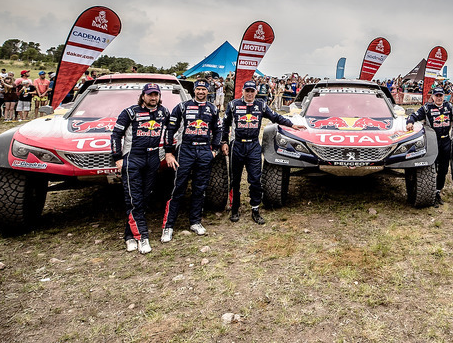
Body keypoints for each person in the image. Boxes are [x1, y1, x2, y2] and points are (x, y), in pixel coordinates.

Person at [221, 80, 306, 225]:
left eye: (252, 91)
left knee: (255, 179)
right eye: (247, 91)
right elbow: (225, 124)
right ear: (242, 91)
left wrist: (292, 124)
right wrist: (223, 142)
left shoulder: (260, 105)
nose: (249, 94)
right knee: (235, 180)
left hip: (253, 145)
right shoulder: (233, 105)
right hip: (237, 145)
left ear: (256, 92)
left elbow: (276, 117)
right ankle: (235, 208)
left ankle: (255, 209)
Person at [110, 83, 169, 254]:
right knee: (133, 200)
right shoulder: (130, 112)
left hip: (152, 159)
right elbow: (116, 135)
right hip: (133, 158)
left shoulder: (163, 112)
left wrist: (167, 153)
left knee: (143, 199)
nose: (153, 98)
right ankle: (142, 237)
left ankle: (129, 236)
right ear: (143, 96)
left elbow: (170, 132)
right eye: (150, 94)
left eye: (156, 95)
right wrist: (118, 158)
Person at [160, 79, 222, 242]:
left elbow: (218, 130)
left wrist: (214, 150)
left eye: (204, 89)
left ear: (208, 91)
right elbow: (170, 129)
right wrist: (168, 152)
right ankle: (168, 226)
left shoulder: (212, 108)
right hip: (185, 149)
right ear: (194, 91)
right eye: (198, 89)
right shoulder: (182, 106)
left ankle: (195, 222)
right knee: (178, 187)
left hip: (204, 150)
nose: (201, 92)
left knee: (200, 188)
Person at [406, 87, 453, 207]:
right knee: (432, 167)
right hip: (433, 141)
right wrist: (410, 122)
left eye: (440, 95)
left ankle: (438, 191)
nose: (438, 98)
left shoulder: (449, 107)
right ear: (432, 97)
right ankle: (430, 193)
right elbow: (413, 116)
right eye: (436, 95)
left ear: (444, 96)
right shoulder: (427, 108)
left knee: (443, 169)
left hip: (446, 140)